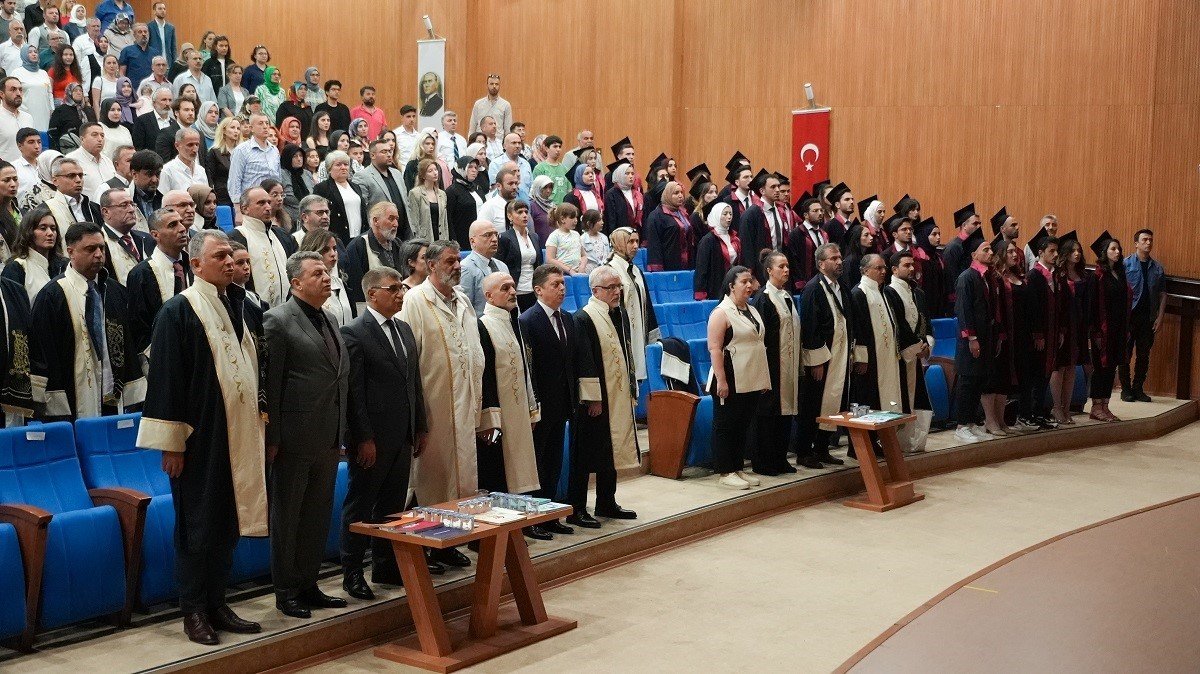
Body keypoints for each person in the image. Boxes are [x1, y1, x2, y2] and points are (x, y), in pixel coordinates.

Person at [135, 229, 266, 646]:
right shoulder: (178, 311)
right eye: (220, 256)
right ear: (195, 264)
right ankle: (193, 609)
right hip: (199, 438)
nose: (230, 262)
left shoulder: (238, 305)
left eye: (232, 255)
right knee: (198, 525)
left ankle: (217, 601)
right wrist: (172, 443)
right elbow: (167, 380)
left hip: (238, 434)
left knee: (226, 521)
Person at [263, 251, 348, 620]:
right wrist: (273, 438)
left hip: (329, 435)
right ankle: (285, 590)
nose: (326, 278)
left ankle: (309, 583)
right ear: (296, 283)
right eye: (317, 274)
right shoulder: (277, 320)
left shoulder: (329, 318)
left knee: (316, 515)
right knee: (289, 517)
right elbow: (272, 384)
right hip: (293, 438)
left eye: (327, 272)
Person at [339, 265, 426, 597]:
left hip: (402, 435)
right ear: (372, 294)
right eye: (394, 289)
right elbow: (354, 393)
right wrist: (363, 437)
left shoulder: (404, 329)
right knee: (360, 506)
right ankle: (352, 572)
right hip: (372, 439)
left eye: (402, 288)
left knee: (394, 506)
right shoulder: (355, 333)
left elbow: (413, 384)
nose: (401, 294)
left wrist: (420, 426)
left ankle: (386, 566)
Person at [399, 240, 483, 569]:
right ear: (431, 266)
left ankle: (448, 542)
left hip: (463, 405)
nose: (457, 266)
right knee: (429, 478)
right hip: (431, 408)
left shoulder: (463, 301)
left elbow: (474, 354)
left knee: (459, 478)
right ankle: (423, 546)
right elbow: (408, 362)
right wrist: (416, 416)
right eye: (450, 262)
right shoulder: (416, 301)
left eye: (458, 261)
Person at [29, 221, 139, 421]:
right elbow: (43, 353)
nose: (98, 254)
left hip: (114, 392)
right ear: (71, 252)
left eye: (102, 248)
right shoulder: (52, 295)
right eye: (90, 249)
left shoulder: (114, 292)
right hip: (72, 396)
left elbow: (127, 346)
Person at [476, 272, 544, 531]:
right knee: (497, 471)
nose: (513, 292)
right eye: (505, 288)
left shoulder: (515, 322)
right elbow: (484, 375)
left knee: (520, 468)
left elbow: (526, 369)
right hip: (497, 417)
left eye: (514, 287)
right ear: (489, 296)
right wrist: (489, 419)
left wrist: (531, 407)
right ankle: (500, 529)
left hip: (518, 410)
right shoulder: (482, 326)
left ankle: (520, 523)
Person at [571, 265, 639, 521]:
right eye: (611, 287)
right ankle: (577, 508)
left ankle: (606, 502)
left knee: (609, 454)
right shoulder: (584, 317)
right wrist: (593, 398)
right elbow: (584, 361)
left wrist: (631, 386)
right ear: (595, 291)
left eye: (619, 286)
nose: (617, 291)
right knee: (587, 454)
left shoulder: (617, 314)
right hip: (595, 401)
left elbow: (626, 352)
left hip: (616, 395)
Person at [706, 265, 770, 489]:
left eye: (751, 281)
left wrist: (762, 377)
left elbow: (758, 344)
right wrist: (721, 381)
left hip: (750, 375)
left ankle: (738, 468)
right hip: (729, 375)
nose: (750, 286)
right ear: (731, 286)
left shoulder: (751, 310)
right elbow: (714, 348)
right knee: (726, 424)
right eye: (744, 282)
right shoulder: (721, 313)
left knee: (743, 424)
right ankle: (725, 470)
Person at [795, 243, 852, 468]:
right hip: (820, 359)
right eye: (834, 258)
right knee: (812, 404)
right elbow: (810, 326)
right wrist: (816, 361)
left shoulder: (842, 288)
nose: (840, 262)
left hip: (839, 354)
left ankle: (822, 448)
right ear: (821, 264)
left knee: (832, 401)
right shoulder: (813, 289)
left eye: (840, 258)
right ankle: (804, 451)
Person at [882, 249, 935, 453]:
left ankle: (913, 440)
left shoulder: (918, 292)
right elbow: (899, 325)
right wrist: (915, 347)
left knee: (917, 397)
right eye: (906, 265)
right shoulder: (889, 292)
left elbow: (924, 320)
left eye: (913, 264)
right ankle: (898, 442)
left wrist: (927, 343)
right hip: (902, 355)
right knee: (902, 396)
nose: (912, 268)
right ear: (894, 269)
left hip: (918, 352)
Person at [848, 254, 903, 449]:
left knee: (881, 399)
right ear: (865, 270)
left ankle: (880, 441)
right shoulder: (859, 293)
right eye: (878, 268)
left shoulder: (882, 292)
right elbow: (858, 329)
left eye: (884, 268)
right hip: (869, 360)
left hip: (886, 357)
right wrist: (861, 358)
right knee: (865, 400)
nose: (883, 271)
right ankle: (860, 447)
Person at [125, 204, 188, 360]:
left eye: (181, 222)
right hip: (161, 357)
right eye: (173, 225)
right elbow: (139, 328)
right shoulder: (141, 274)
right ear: (155, 235)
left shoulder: (195, 265)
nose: (182, 229)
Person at [953, 231, 997, 444]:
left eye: (990, 249)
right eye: (985, 250)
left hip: (986, 336)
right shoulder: (966, 277)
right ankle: (961, 425)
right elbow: (963, 310)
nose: (990, 253)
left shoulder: (987, 277)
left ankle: (971, 422)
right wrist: (971, 338)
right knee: (968, 381)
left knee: (980, 380)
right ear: (973, 254)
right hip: (971, 340)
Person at [605, 227, 658, 383]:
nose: (636, 246)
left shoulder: (636, 270)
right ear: (620, 243)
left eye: (637, 241)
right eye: (630, 242)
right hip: (619, 334)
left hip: (638, 332)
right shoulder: (609, 270)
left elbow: (647, 305)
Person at [1022, 228, 1061, 430]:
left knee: (1045, 374)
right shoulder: (1034, 276)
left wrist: (1060, 331)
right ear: (1041, 252)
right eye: (1051, 251)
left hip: (1052, 333)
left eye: (1057, 251)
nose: (1055, 255)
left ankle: (1039, 411)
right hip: (1038, 336)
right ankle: (1029, 413)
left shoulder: (1054, 276)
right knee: (1035, 374)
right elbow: (1033, 308)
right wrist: (1038, 334)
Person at [1121, 228, 1164, 403]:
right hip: (1129, 317)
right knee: (1125, 353)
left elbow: (1162, 294)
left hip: (1148, 318)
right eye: (1145, 240)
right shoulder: (1125, 264)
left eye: (1150, 240)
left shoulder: (1158, 268)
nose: (1148, 243)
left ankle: (1138, 388)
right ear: (1136, 243)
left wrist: (1160, 317)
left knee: (1144, 354)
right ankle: (1126, 389)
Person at [228, 186, 291, 307]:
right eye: (261, 203)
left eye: (269, 202)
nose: (268, 207)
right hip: (253, 311)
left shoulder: (281, 235)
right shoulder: (235, 237)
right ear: (245, 209)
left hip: (286, 312)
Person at [1088, 232, 1128, 421]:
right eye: (1113, 249)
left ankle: (1105, 405)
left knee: (1111, 367)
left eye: (1118, 249)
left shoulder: (1119, 273)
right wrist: (1095, 331)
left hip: (1117, 328)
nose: (1117, 252)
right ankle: (1096, 407)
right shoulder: (1097, 276)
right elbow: (1093, 305)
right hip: (1102, 330)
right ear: (1104, 252)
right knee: (1101, 368)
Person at [1049, 233, 1087, 424]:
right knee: (1059, 367)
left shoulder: (1083, 275)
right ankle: (1056, 407)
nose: (1077, 254)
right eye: (1073, 251)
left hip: (1078, 326)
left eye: (1079, 251)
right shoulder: (1058, 274)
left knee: (1072, 366)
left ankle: (1066, 406)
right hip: (1062, 326)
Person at [342, 200, 400, 311]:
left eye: (397, 219)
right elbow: (356, 287)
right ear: (376, 221)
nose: (396, 224)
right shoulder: (359, 245)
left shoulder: (397, 244)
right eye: (391, 218)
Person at [2, 205, 65, 302]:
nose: (50, 233)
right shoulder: (16, 268)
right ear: (28, 232)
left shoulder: (63, 265)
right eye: (43, 228)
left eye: (53, 228)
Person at [299, 227, 353, 327]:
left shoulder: (340, 283)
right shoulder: (303, 286)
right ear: (312, 251)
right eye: (326, 250)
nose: (333, 254)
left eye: (335, 249)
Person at [312, 150, 368, 246]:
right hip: (338, 238)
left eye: (346, 164)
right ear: (329, 169)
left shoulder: (356, 187)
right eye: (338, 165)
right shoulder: (322, 188)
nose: (343, 168)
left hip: (360, 236)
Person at [736, 173, 785, 278]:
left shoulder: (781, 211)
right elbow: (746, 247)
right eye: (773, 187)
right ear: (762, 191)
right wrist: (751, 275)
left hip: (780, 268)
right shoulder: (751, 214)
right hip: (760, 270)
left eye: (778, 186)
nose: (777, 190)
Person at [496, 198, 541, 311]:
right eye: (520, 212)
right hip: (516, 290)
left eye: (526, 212)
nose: (525, 215)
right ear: (510, 216)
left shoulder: (534, 237)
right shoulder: (505, 238)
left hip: (534, 289)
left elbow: (538, 264)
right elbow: (499, 265)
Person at [459, 219, 508, 316]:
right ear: (473, 241)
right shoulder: (466, 268)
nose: (494, 239)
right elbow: (464, 309)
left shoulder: (502, 266)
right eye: (487, 235)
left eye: (496, 234)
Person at [693, 201, 739, 301]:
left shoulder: (735, 238)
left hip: (734, 288)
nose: (729, 217)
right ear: (716, 215)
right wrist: (701, 294)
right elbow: (701, 269)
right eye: (725, 214)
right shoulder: (708, 240)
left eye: (730, 214)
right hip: (715, 289)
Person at [644, 181, 693, 273]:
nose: (680, 196)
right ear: (667, 194)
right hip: (668, 266)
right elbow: (654, 245)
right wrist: (657, 270)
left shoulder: (683, 213)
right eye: (676, 193)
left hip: (686, 264)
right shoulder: (656, 216)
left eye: (681, 192)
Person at [942, 203, 981, 306]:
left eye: (979, 223)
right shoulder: (953, 247)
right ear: (964, 225)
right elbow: (950, 275)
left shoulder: (974, 245)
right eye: (975, 223)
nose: (979, 226)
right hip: (958, 298)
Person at [407, 156, 448, 241]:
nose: (435, 173)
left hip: (441, 239)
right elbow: (414, 222)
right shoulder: (415, 193)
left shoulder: (442, 194)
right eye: (430, 171)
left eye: (436, 170)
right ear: (423, 175)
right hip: (424, 239)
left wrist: (446, 240)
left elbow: (445, 222)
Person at [912, 217, 946, 317]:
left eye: (939, 234)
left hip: (938, 305)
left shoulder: (938, 257)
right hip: (923, 305)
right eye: (934, 234)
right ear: (924, 236)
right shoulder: (918, 258)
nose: (938, 237)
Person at [13, 44, 52, 131]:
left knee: (42, 138)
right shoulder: (17, 73)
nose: (34, 54)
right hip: (25, 112)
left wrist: (52, 109)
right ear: (23, 55)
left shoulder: (43, 73)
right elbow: (13, 94)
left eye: (35, 52)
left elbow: (49, 93)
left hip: (43, 113)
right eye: (30, 52)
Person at [445, 156, 481, 247]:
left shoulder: (477, 188)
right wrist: (454, 243)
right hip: (462, 240)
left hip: (480, 237)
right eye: (470, 167)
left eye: (476, 167)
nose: (474, 170)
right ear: (461, 168)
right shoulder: (452, 191)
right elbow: (449, 219)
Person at [51, 83, 95, 152]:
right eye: (75, 90)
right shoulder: (61, 110)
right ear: (69, 92)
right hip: (68, 148)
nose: (79, 93)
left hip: (89, 149)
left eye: (81, 91)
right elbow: (53, 132)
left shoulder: (88, 110)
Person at [602, 161, 643, 234]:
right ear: (619, 175)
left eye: (632, 173)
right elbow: (611, 220)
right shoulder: (611, 194)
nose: (631, 176)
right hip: (619, 235)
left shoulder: (638, 194)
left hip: (636, 234)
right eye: (627, 173)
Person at [469, 74, 511, 139]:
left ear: (499, 86)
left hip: (498, 143)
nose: (494, 86)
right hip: (480, 142)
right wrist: (470, 142)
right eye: (491, 84)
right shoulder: (478, 104)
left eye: (496, 84)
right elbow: (472, 126)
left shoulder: (506, 105)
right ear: (487, 85)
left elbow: (507, 129)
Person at [0, 77, 32, 162]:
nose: (18, 93)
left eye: (20, 90)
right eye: (13, 90)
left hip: (27, 170)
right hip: (4, 172)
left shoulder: (28, 117)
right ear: (2, 94)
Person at [153, 94, 192, 161]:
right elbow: (163, 163)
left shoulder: (200, 134)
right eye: (186, 110)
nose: (191, 113)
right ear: (176, 113)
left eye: (192, 110)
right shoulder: (166, 134)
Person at [130, 85, 170, 150]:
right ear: (154, 103)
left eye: (170, 100)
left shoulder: (173, 123)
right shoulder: (141, 121)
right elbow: (138, 147)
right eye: (164, 100)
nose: (167, 103)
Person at [840, 223, 875, 289]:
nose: (871, 238)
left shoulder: (868, 256)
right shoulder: (850, 261)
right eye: (866, 235)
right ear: (857, 238)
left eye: (870, 234)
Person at [579, 208, 609, 274]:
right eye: (599, 220)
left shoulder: (604, 237)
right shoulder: (582, 239)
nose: (602, 222)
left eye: (602, 220)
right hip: (590, 272)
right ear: (589, 223)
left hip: (604, 271)